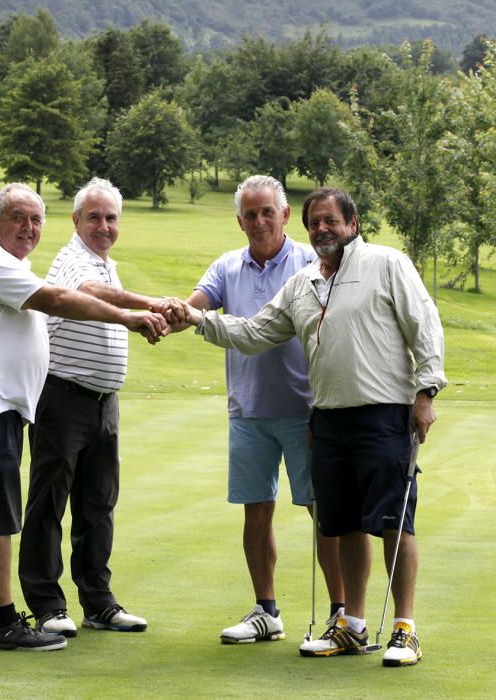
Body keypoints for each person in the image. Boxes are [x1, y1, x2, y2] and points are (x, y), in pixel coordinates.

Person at [185, 187, 446, 667]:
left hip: (384, 413)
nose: (322, 230)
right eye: (315, 223)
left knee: (393, 523)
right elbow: (254, 332)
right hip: (325, 418)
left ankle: (405, 629)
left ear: (353, 221)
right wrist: (199, 319)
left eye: (331, 221)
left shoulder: (388, 264)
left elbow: (424, 325)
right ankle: (352, 625)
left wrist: (426, 393)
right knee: (342, 523)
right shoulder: (303, 282)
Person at [0, 183, 169, 652]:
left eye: (36, 219)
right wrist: (133, 316)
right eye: (19, 217)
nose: (29, 228)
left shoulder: (9, 264)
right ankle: (2, 621)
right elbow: (60, 300)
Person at [180, 175, 344, 644]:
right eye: (249, 214)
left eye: (266, 212)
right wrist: (159, 313)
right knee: (256, 512)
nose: (258, 221)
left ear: (285, 214)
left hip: (307, 411)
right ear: (239, 220)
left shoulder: (312, 261)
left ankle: (340, 612)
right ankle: (266, 611)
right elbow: (195, 306)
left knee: (323, 514)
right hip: (248, 410)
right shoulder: (227, 266)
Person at [19, 177, 183, 638]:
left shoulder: (107, 264)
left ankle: (98, 601)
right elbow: (90, 292)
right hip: (62, 398)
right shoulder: (74, 260)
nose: (103, 225)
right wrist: (146, 305)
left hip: (102, 403)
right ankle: (47, 604)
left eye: (111, 218)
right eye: (94, 217)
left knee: (98, 505)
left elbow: (104, 289)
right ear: (76, 221)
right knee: (49, 504)